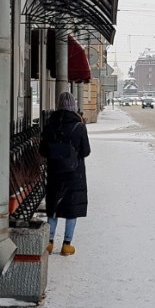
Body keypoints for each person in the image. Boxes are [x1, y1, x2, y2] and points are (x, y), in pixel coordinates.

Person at [38, 91, 91, 256]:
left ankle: (49, 242)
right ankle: (67, 245)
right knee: (71, 209)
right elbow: (86, 151)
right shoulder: (79, 127)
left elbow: (42, 150)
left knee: (53, 208)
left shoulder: (50, 125)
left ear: (59, 106)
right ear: (73, 106)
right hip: (75, 174)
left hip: (55, 172)